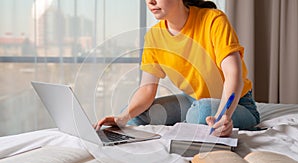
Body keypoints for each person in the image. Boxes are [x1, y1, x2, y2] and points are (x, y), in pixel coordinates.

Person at [94, 0, 260, 137]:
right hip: (191, 100)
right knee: (133, 116)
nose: (150, 2)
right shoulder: (154, 35)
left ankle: (198, 120)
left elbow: (233, 75)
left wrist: (224, 116)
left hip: (237, 103)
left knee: (201, 112)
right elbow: (146, 90)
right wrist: (121, 119)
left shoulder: (213, 20)